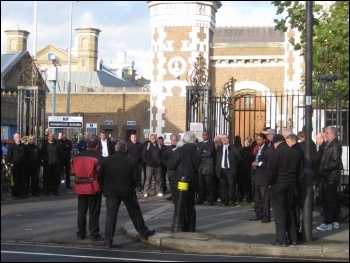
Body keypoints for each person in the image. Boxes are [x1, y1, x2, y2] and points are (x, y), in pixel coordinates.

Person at [98, 140, 155, 248]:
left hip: (111, 192)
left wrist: (104, 188)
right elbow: (137, 179)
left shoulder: (107, 161)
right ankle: (143, 233)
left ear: (116, 148)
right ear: (126, 149)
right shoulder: (131, 161)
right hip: (127, 191)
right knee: (135, 212)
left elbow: (100, 177)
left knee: (111, 215)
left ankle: (108, 241)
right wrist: (133, 186)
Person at [267, 134, 301, 246]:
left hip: (278, 185)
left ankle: (281, 239)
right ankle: (294, 238)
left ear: (276, 143)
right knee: (290, 211)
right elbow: (300, 172)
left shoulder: (275, 153)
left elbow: (271, 172)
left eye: (274, 144)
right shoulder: (295, 153)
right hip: (291, 184)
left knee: (279, 212)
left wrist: (270, 183)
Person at [71, 137, 104, 241]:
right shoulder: (98, 157)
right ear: (97, 146)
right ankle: (94, 233)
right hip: (93, 186)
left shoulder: (76, 156)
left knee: (81, 211)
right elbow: (101, 173)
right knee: (94, 212)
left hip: (80, 186)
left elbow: (72, 171)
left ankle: (81, 233)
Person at [168, 131, 201, 232]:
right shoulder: (197, 151)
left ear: (185, 140)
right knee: (190, 205)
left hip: (180, 180)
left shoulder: (180, 150)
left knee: (179, 204)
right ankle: (191, 227)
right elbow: (197, 166)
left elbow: (172, 165)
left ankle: (179, 226)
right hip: (192, 180)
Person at [316, 126, 342, 231]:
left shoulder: (335, 145)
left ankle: (328, 222)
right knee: (331, 199)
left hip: (331, 176)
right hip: (327, 176)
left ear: (332, 134)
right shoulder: (329, 144)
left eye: (327, 133)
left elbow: (336, 162)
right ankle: (335, 221)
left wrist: (323, 168)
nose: (325, 135)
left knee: (329, 200)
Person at [250, 133, 273, 222]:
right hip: (256, 175)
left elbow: (269, 164)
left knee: (265, 198)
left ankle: (266, 216)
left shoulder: (268, 150)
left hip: (264, 177)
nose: (257, 141)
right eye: (257, 140)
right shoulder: (257, 149)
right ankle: (258, 214)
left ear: (264, 139)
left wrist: (259, 164)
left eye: (259, 139)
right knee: (257, 197)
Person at [215, 134, 238, 206]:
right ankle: (225, 200)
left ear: (228, 139)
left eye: (225, 138)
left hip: (230, 169)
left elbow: (238, 158)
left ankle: (232, 200)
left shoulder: (233, 147)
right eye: (222, 139)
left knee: (231, 185)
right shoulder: (219, 148)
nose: (224, 140)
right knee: (223, 186)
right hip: (222, 169)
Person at [196, 130, 216, 206]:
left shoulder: (211, 144)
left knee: (209, 184)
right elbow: (197, 153)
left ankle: (210, 199)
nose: (204, 136)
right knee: (200, 184)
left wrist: (202, 152)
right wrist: (203, 152)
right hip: (200, 167)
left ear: (208, 135)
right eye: (203, 135)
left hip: (208, 166)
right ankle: (201, 198)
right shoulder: (199, 144)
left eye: (205, 135)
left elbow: (209, 154)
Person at [6, 133, 26, 199]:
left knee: (22, 179)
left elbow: (26, 155)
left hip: (22, 165)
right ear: (14, 138)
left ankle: (21, 193)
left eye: (19, 137)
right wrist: (10, 163)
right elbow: (9, 155)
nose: (18, 138)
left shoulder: (23, 146)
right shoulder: (11, 146)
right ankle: (16, 193)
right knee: (16, 179)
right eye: (17, 137)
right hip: (15, 165)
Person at [237, 136, 254, 203]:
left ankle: (249, 197)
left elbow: (252, 158)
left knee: (248, 184)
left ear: (250, 143)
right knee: (240, 184)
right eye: (245, 141)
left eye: (248, 142)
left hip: (248, 169)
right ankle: (240, 197)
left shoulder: (251, 150)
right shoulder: (240, 149)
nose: (246, 143)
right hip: (241, 169)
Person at [162, 134, 179, 201]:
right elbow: (163, 158)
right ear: (171, 141)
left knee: (177, 182)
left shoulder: (180, 148)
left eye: (175, 140)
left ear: (177, 140)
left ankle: (177, 195)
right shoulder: (167, 148)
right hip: (170, 168)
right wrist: (167, 164)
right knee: (171, 182)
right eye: (173, 140)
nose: (174, 141)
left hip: (178, 168)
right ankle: (172, 195)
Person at [313, 132, 327, 205]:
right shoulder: (321, 147)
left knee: (323, 192)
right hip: (320, 173)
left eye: (317, 138)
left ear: (322, 138)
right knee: (321, 191)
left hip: (322, 174)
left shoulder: (324, 148)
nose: (316, 140)